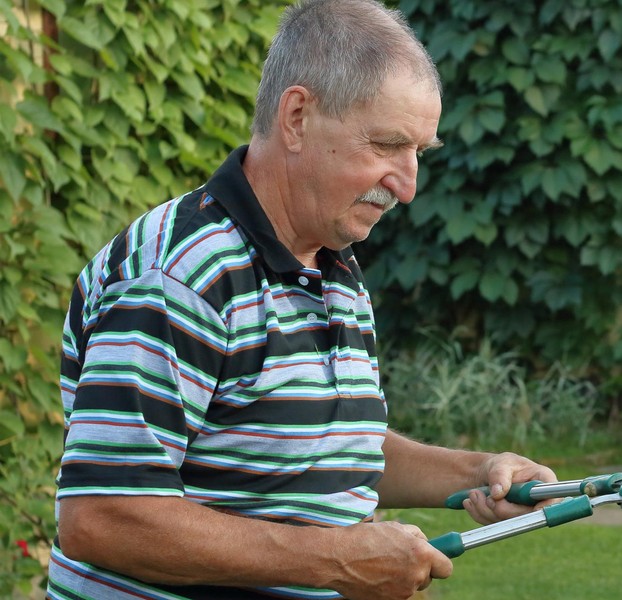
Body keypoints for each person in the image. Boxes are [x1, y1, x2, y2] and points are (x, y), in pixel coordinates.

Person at [47, 1, 557, 598]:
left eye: (419, 151)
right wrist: (335, 560)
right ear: (296, 117)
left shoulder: (332, 263)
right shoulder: (183, 276)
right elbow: (101, 517)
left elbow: (325, 448)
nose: (408, 185)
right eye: (387, 144)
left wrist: (482, 473)